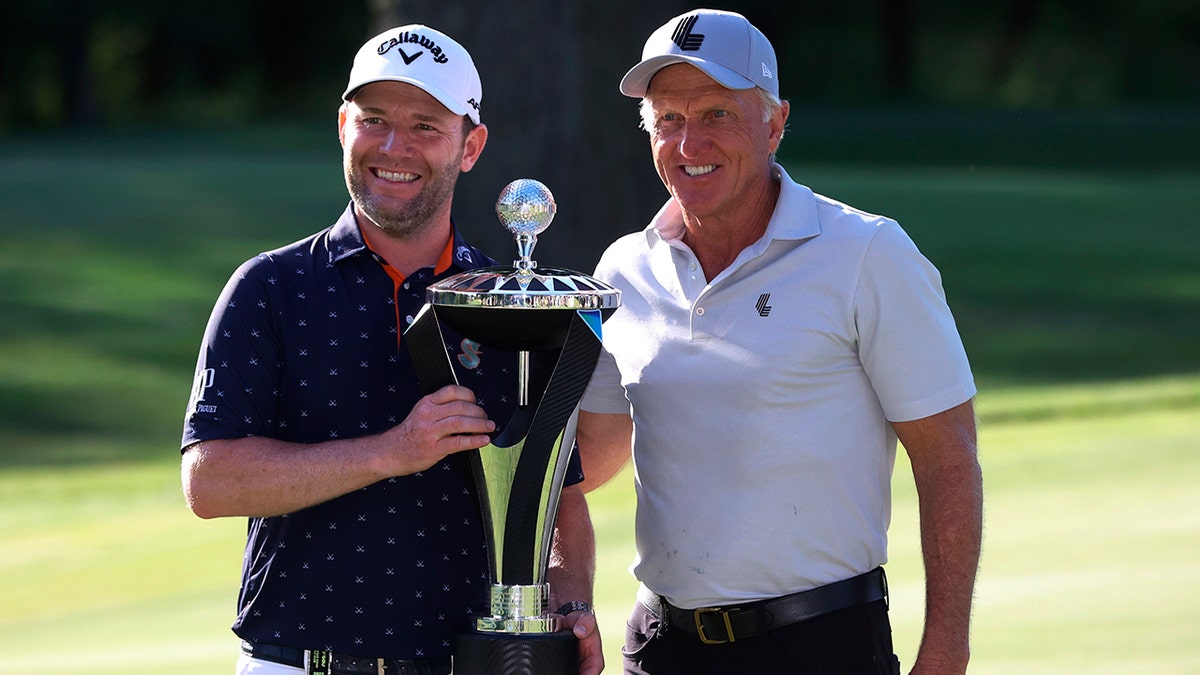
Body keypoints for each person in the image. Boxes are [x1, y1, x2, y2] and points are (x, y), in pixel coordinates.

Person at [181, 24, 602, 675]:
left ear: (471, 145)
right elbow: (209, 480)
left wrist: (569, 601)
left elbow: (560, 498)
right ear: (343, 125)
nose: (394, 146)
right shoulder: (269, 288)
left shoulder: (514, 306)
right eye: (374, 119)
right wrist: (388, 451)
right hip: (297, 663)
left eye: (426, 126)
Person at [575, 8, 982, 675]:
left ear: (776, 122)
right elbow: (590, 455)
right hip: (662, 647)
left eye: (716, 115)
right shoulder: (623, 269)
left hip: (820, 642)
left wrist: (945, 654)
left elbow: (948, 459)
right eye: (668, 119)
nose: (688, 143)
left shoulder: (865, 253)